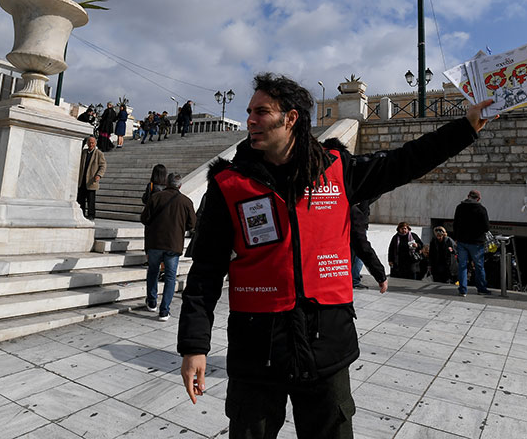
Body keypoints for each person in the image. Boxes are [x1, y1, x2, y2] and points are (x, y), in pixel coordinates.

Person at [177, 73, 494, 438]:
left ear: (291, 118)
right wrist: (194, 346)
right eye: (249, 111)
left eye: (261, 112)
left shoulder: (338, 170)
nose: (250, 119)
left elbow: (406, 161)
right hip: (257, 351)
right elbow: (205, 271)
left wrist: (467, 127)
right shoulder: (228, 185)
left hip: (326, 343)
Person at [141, 173, 196, 322]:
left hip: (155, 242)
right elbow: (192, 224)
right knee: (170, 277)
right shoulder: (186, 201)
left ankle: (152, 301)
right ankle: (164, 310)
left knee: (153, 271)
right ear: (180, 185)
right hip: (173, 244)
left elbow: (144, 218)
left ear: (166, 183)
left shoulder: (156, 197)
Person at [453, 190, 491, 296]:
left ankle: (463, 289)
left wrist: (456, 237)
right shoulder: (481, 210)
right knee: (479, 266)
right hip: (476, 243)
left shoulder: (459, 208)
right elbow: (486, 227)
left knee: (462, 266)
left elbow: (455, 224)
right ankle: (481, 288)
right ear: (478, 199)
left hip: (462, 241)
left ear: (468, 196)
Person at [349, 201, 388, 291]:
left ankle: (353, 277)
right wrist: (380, 276)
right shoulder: (357, 205)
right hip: (358, 225)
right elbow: (363, 249)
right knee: (358, 255)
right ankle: (354, 279)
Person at [77, 136, 106, 220]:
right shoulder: (84, 152)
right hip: (82, 180)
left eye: (92, 143)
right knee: (81, 199)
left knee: (91, 200)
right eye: (89, 142)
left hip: (91, 180)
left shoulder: (99, 153)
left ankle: (91, 215)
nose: (91, 144)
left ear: (95, 143)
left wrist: (99, 175)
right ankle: (81, 214)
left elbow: (103, 166)